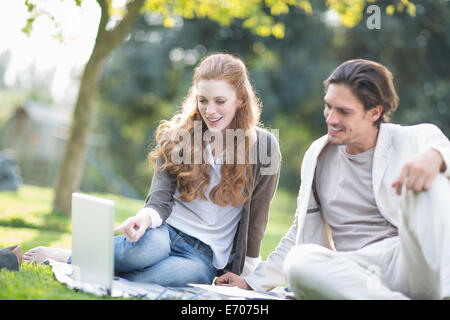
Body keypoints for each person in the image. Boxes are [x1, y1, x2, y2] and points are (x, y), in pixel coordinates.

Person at [23, 53, 281, 287]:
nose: (209, 111)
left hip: (203, 256)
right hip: (165, 231)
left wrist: (248, 278)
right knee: (145, 251)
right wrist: (143, 219)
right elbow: (158, 198)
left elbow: (257, 218)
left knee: (157, 279)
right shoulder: (179, 136)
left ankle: (74, 261)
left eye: (220, 101)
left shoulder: (264, 147)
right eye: (203, 101)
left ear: (240, 100)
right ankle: (72, 256)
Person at [216, 59, 450, 300]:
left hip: (409, 263)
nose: (331, 118)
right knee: (299, 262)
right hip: (354, 273)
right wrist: (251, 282)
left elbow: (441, 146)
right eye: (329, 106)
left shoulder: (413, 138)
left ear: (375, 112)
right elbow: (300, 231)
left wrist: (434, 158)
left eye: (344, 112)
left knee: (435, 181)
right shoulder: (318, 156)